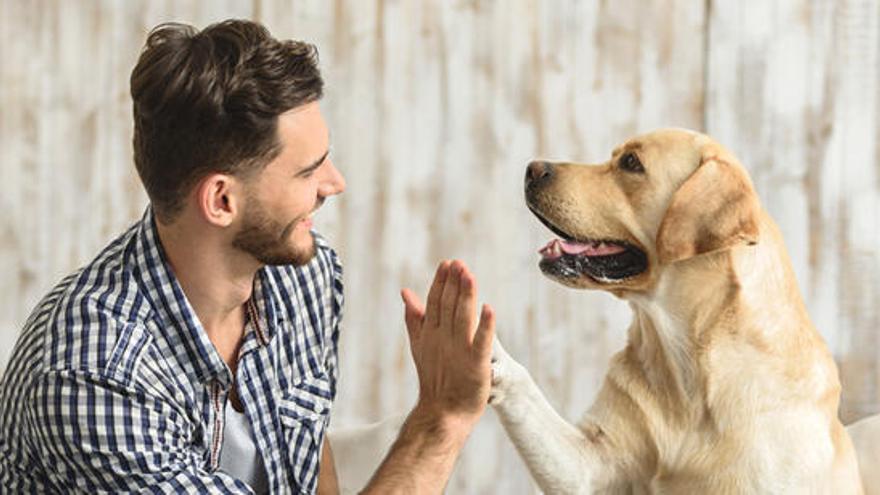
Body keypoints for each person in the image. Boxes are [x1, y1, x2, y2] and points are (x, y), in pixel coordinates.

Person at [0, 19, 495, 494]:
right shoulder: (95, 377)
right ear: (221, 201)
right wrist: (441, 420)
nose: (335, 183)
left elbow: (305, 469)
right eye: (308, 171)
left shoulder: (304, 278)